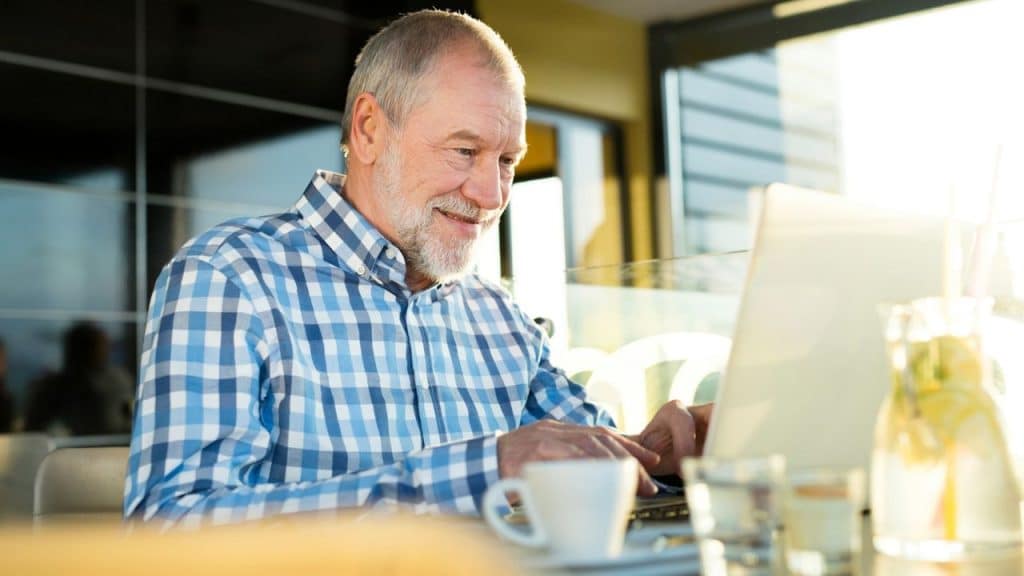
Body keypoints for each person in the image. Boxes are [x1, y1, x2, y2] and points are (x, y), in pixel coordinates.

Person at [124, 9, 712, 527]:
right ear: (370, 129)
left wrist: (669, 450)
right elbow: (170, 526)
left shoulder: (498, 315)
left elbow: (593, 463)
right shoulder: (231, 277)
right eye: (464, 151)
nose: (490, 193)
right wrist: (490, 466)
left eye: (508, 160)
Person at [24, 321, 134, 436]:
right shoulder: (54, 387)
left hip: (111, 447)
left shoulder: (118, 380)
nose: (102, 351)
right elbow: (34, 430)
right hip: (67, 449)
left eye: (102, 346)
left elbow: (129, 419)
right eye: (92, 347)